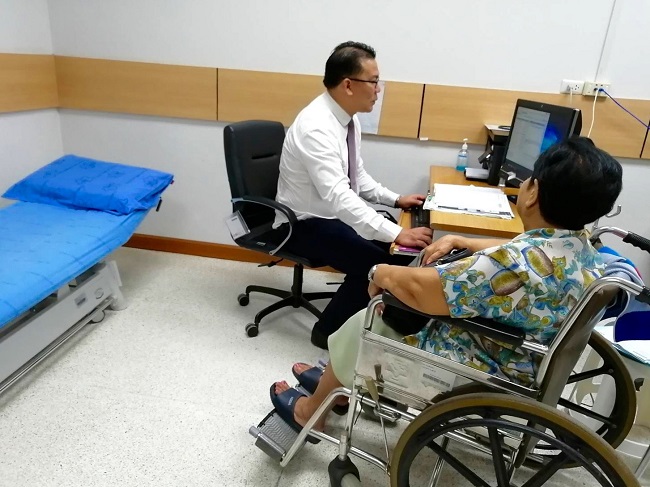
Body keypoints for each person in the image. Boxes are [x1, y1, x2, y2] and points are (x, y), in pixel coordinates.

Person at [270, 136, 624, 432]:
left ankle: (310, 412)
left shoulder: (509, 266)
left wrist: (379, 272)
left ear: (533, 194)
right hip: (524, 361)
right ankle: (341, 385)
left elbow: (420, 290)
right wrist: (464, 241)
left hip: (479, 366)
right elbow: (525, 252)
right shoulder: (583, 250)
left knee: (374, 316)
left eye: (530, 179)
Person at [274, 41, 433, 349]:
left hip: (332, 215)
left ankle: (368, 317)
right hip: (302, 223)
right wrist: (397, 232)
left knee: (398, 253)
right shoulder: (316, 128)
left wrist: (395, 199)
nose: (378, 90)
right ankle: (327, 333)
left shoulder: (348, 119)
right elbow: (339, 197)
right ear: (348, 85)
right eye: (373, 81)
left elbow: (356, 177)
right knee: (375, 263)